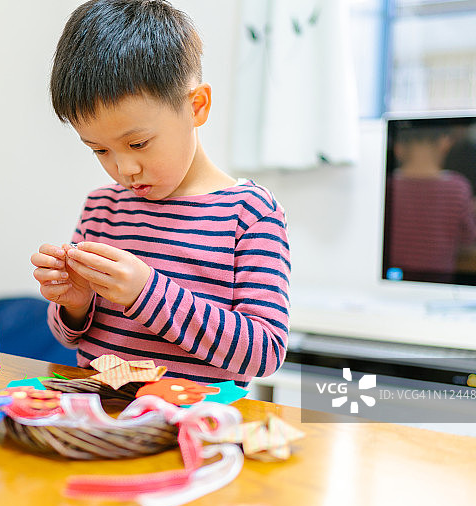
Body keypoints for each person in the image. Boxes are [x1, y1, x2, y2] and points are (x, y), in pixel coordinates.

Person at [30, 0, 290, 387]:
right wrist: (74, 303)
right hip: (101, 420)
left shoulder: (250, 213)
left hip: (192, 428)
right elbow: (69, 336)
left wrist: (146, 292)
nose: (124, 169)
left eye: (138, 144)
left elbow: (263, 354)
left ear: (196, 107)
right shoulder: (103, 208)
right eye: (100, 150)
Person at [386, 124, 476, 283]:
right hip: (438, 283)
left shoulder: (388, 186)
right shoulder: (458, 187)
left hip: (393, 280)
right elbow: (468, 240)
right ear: (445, 143)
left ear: (398, 148)